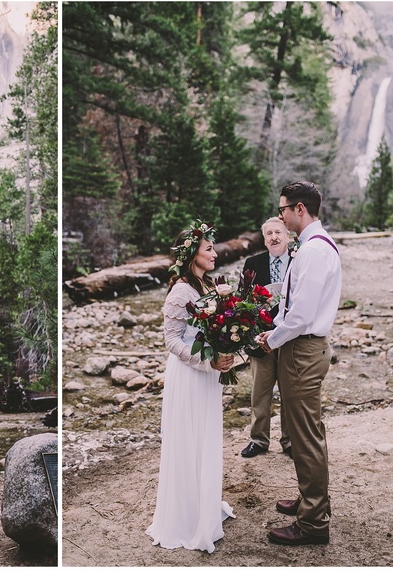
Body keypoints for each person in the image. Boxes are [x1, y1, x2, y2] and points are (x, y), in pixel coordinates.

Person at [257, 180, 342, 546]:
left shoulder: (312, 251)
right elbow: (292, 307)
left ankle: (313, 523)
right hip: (301, 347)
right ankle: (311, 500)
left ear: (300, 210)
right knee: (305, 428)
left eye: (283, 209)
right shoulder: (310, 247)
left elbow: (302, 315)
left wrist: (273, 339)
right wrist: (273, 330)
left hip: (302, 351)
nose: (280, 215)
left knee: (306, 435)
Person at [146, 221, 236, 553]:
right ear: (192, 253)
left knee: (206, 439)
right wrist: (206, 362)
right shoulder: (181, 290)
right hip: (189, 375)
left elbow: (217, 329)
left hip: (208, 374)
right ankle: (185, 518)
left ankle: (205, 507)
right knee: (188, 441)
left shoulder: (208, 284)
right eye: (209, 248)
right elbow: (171, 340)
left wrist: (226, 351)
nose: (215, 252)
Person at [239, 217, 292, 459]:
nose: (274, 237)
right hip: (260, 338)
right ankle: (258, 440)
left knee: (290, 392)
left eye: (278, 232)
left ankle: (290, 441)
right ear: (264, 238)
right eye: (269, 233)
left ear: (287, 236)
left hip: (291, 337)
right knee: (260, 393)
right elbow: (241, 301)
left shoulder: (298, 261)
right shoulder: (253, 262)